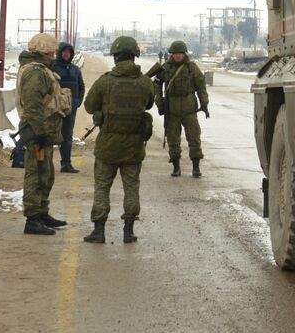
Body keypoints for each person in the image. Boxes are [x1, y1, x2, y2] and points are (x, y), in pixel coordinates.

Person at [81, 36, 155, 244]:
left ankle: (99, 230)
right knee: (131, 187)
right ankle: (128, 231)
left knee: (102, 187)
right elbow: (149, 104)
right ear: (134, 56)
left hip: (107, 146)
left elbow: (88, 105)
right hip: (134, 147)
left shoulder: (105, 81)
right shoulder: (144, 82)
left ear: (115, 57)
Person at [17, 32, 70, 235]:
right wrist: (38, 132)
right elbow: (32, 105)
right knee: (36, 175)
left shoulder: (41, 70)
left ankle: (42, 212)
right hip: (38, 133)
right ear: (45, 51)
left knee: (46, 174)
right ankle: (32, 218)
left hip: (44, 132)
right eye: (52, 51)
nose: (54, 55)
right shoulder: (35, 72)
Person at [147, 40, 209, 178]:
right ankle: (176, 167)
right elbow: (156, 85)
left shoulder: (191, 68)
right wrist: (159, 102)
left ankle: (196, 167)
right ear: (171, 54)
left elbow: (201, 87)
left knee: (194, 138)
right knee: (173, 140)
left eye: (180, 54)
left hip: (189, 109)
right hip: (172, 110)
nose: (178, 56)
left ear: (184, 54)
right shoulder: (165, 68)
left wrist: (204, 104)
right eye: (175, 54)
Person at [52, 42, 86, 173]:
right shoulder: (53, 68)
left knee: (67, 136)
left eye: (69, 52)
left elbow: (81, 86)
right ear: (60, 53)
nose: (67, 54)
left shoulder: (75, 69)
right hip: (55, 109)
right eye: (64, 52)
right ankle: (42, 163)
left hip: (71, 108)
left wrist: (78, 101)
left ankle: (66, 164)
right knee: (51, 135)